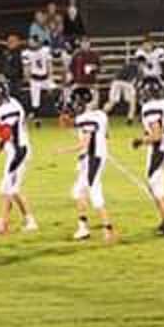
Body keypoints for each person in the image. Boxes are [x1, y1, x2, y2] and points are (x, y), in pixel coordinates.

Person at [57, 88, 116, 242]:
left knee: (95, 192)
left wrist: (64, 150)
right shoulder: (100, 114)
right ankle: (83, 227)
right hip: (93, 157)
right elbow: (107, 135)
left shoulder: (86, 119)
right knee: (78, 191)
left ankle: (108, 229)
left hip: (94, 158)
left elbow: (84, 143)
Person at [0, 84, 38, 235]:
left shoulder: (9, 109)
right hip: (16, 150)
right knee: (12, 190)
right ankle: (28, 220)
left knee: (7, 189)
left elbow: (6, 134)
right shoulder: (9, 104)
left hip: (19, 152)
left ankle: (3, 223)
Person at [132, 78, 164, 236]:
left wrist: (140, 141)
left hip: (158, 152)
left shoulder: (151, 108)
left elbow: (156, 135)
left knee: (157, 189)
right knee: (156, 188)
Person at [22, 36, 54, 125]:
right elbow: (26, 67)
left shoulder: (45, 50)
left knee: (54, 92)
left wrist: (51, 78)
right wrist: (27, 78)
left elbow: (49, 64)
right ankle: (36, 117)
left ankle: (62, 113)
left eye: (32, 41)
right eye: (29, 41)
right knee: (35, 99)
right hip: (34, 78)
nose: (30, 43)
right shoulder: (26, 53)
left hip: (45, 77)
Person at [103, 58, 140, 125]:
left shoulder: (125, 66)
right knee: (132, 101)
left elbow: (118, 75)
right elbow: (133, 80)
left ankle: (102, 116)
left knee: (112, 101)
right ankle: (130, 119)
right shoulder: (136, 68)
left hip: (117, 82)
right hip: (127, 83)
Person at [67, 36, 102, 108]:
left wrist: (94, 68)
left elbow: (100, 68)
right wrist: (72, 79)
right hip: (79, 83)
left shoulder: (94, 55)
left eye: (87, 42)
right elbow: (71, 68)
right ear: (81, 44)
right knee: (73, 101)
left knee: (95, 103)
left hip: (91, 83)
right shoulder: (76, 55)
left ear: (89, 44)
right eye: (83, 43)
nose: (85, 44)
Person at [2, 33, 25, 103]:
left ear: (17, 42)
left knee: (15, 97)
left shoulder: (20, 54)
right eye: (8, 41)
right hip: (7, 79)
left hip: (16, 80)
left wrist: (10, 75)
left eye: (12, 42)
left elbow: (19, 68)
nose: (9, 43)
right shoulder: (6, 53)